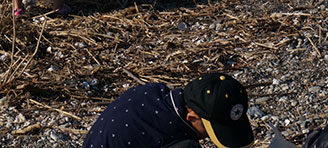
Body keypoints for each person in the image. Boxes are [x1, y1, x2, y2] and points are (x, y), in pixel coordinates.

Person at [82, 72, 254, 148]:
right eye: (209, 130)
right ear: (191, 116)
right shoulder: (172, 133)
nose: (208, 136)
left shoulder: (154, 93)